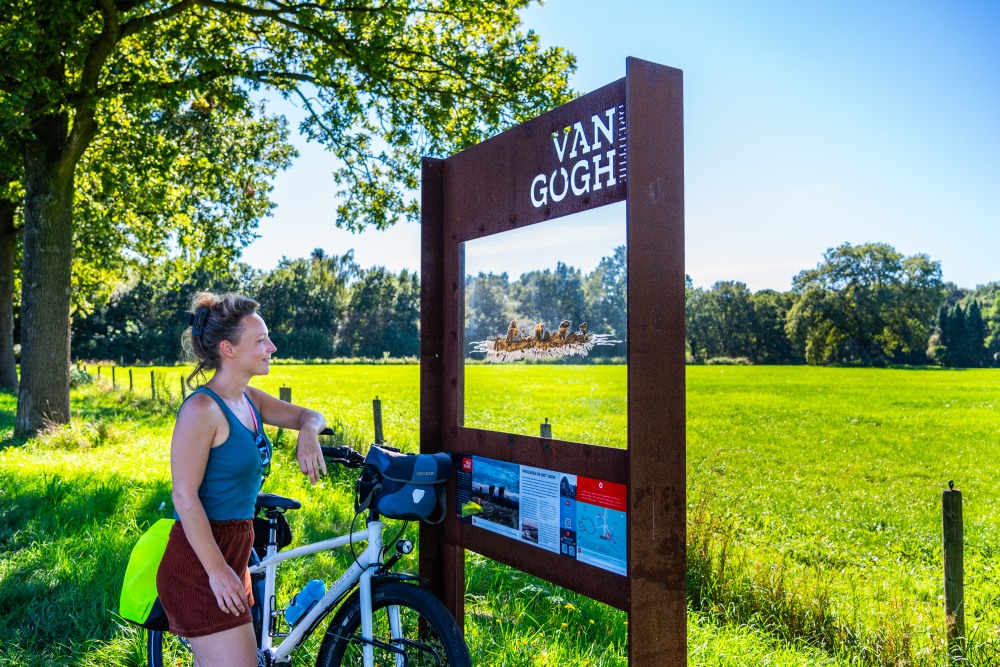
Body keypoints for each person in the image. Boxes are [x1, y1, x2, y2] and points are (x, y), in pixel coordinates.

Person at [156, 292, 327, 667]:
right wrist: (217, 572)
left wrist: (308, 432)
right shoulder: (203, 409)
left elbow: (310, 415)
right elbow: (184, 497)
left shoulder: (248, 399)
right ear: (228, 349)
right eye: (261, 340)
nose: (273, 346)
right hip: (202, 559)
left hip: (235, 550)